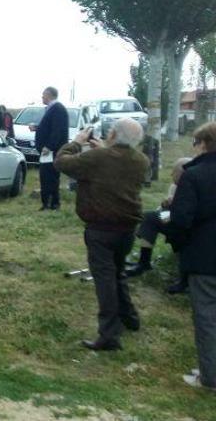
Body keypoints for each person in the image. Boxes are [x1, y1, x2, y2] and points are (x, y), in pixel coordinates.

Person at [54, 118, 149, 351]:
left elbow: (61, 163)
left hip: (101, 228)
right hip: (127, 227)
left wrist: (75, 143)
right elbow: (115, 164)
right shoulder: (141, 160)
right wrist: (104, 151)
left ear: (113, 135)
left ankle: (109, 334)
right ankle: (130, 318)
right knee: (118, 273)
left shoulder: (97, 158)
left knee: (104, 280)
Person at [168, 122, 216, 390]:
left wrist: (181, 246)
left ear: (204, 143)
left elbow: (181, 219)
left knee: (207, 317)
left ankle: (210, 377)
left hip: (205, 257)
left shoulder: (194, 175)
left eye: (195, 143)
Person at [125, 158, 191, 279]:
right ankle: (144, 261)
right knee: (151, 217)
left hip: (190, 225)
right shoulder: (174, 187)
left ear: (183, 173)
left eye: (174, 171)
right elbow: (161, 212)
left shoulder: (194, 187)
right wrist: (166, 204)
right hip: (173, 219)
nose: (171, 174)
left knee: (154, 218)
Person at [31, 87, 69, 211]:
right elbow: (49, 127)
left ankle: (53, 204)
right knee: (45, 176)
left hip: (51, 151)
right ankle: (47, 203)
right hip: (47, 151)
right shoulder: (50, 109)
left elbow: (57, 130)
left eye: (43, 95)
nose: (42, 97)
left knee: (50, 177)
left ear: (49, 95)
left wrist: (50, 146)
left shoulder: (58, 109)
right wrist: (37, 128)